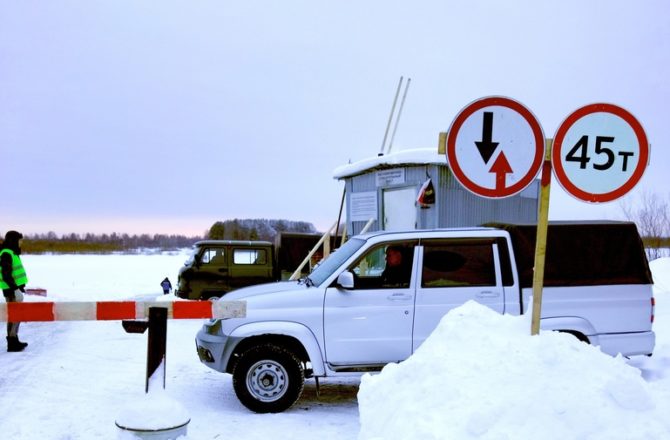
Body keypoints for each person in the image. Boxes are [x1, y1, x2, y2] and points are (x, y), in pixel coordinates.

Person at [1, 230, 29, 352]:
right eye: (19, 240)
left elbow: (14, 273)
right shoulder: (6, 253)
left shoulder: (11, 252)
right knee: (14, 316)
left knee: (16, 316)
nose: (21, 243)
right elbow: (6, 274)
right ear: (13, 240)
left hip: (14, 289)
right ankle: (12, 343)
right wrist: (15, 288)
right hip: (11, 291)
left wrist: (20, 286)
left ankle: (14, 339)